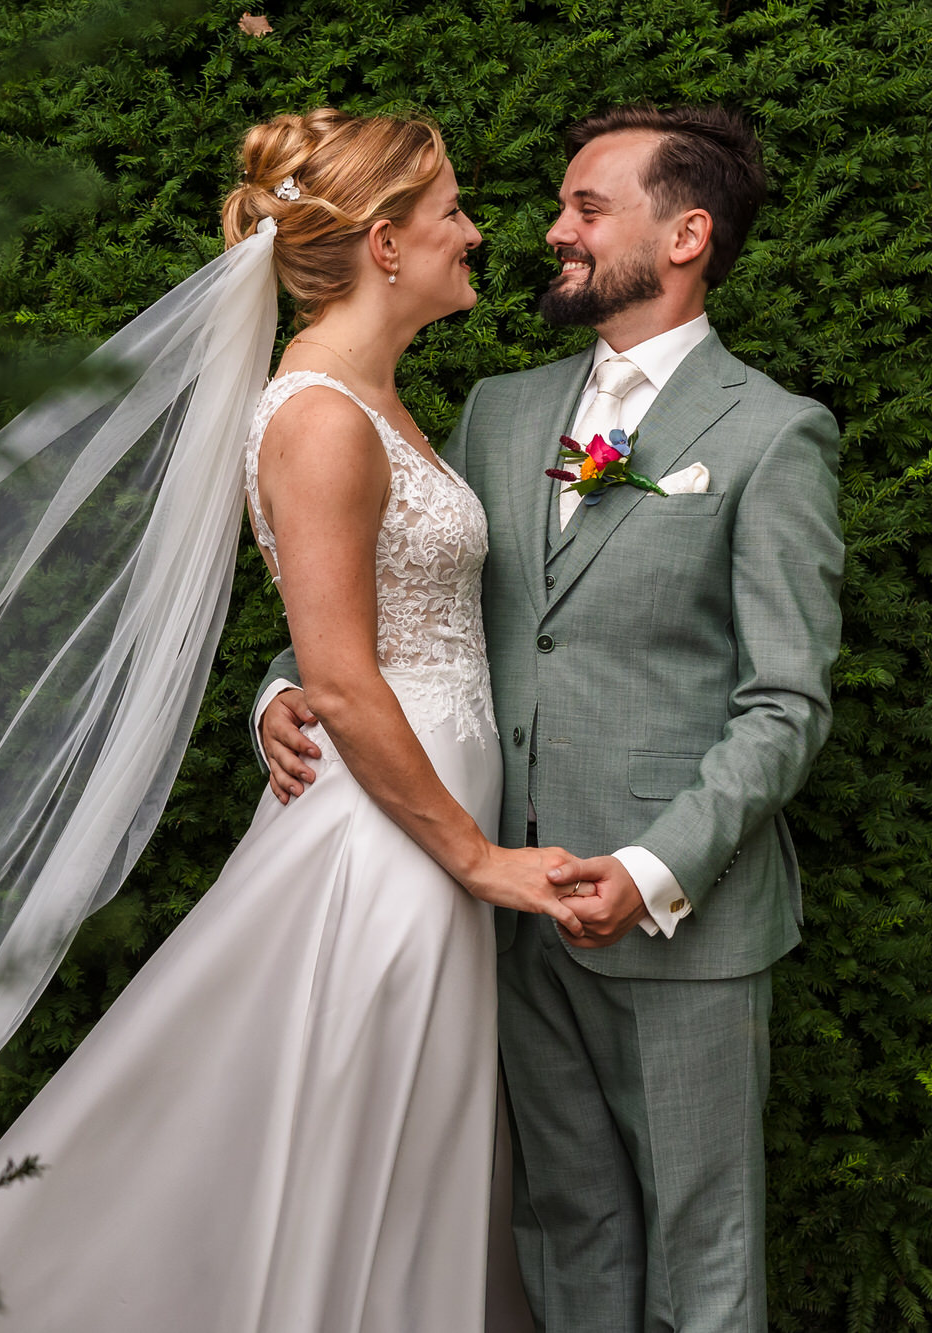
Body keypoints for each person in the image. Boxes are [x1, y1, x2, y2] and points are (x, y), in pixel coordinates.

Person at [0, 107, 579, 1332]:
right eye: (449, 214)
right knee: (335, 1129)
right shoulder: (319, 415)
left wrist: (294, 706)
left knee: (387, 1143)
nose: (474, 233)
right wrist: (476, 858)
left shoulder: (373, 401)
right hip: (387, 844)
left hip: (413, 826)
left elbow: (350, 640)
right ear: (383, 244)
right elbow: (346, 677)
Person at [257, 104, 843, 1333]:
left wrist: (649, 867)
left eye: (586, 209)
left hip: (681, 918)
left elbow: (783, 702)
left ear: (684, 234)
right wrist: (280, 689)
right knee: (561, 1227)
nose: (548, 231)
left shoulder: (771, 433)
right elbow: (387, 606)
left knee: (704, 1247)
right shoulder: (501, 411)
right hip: (502, 902)